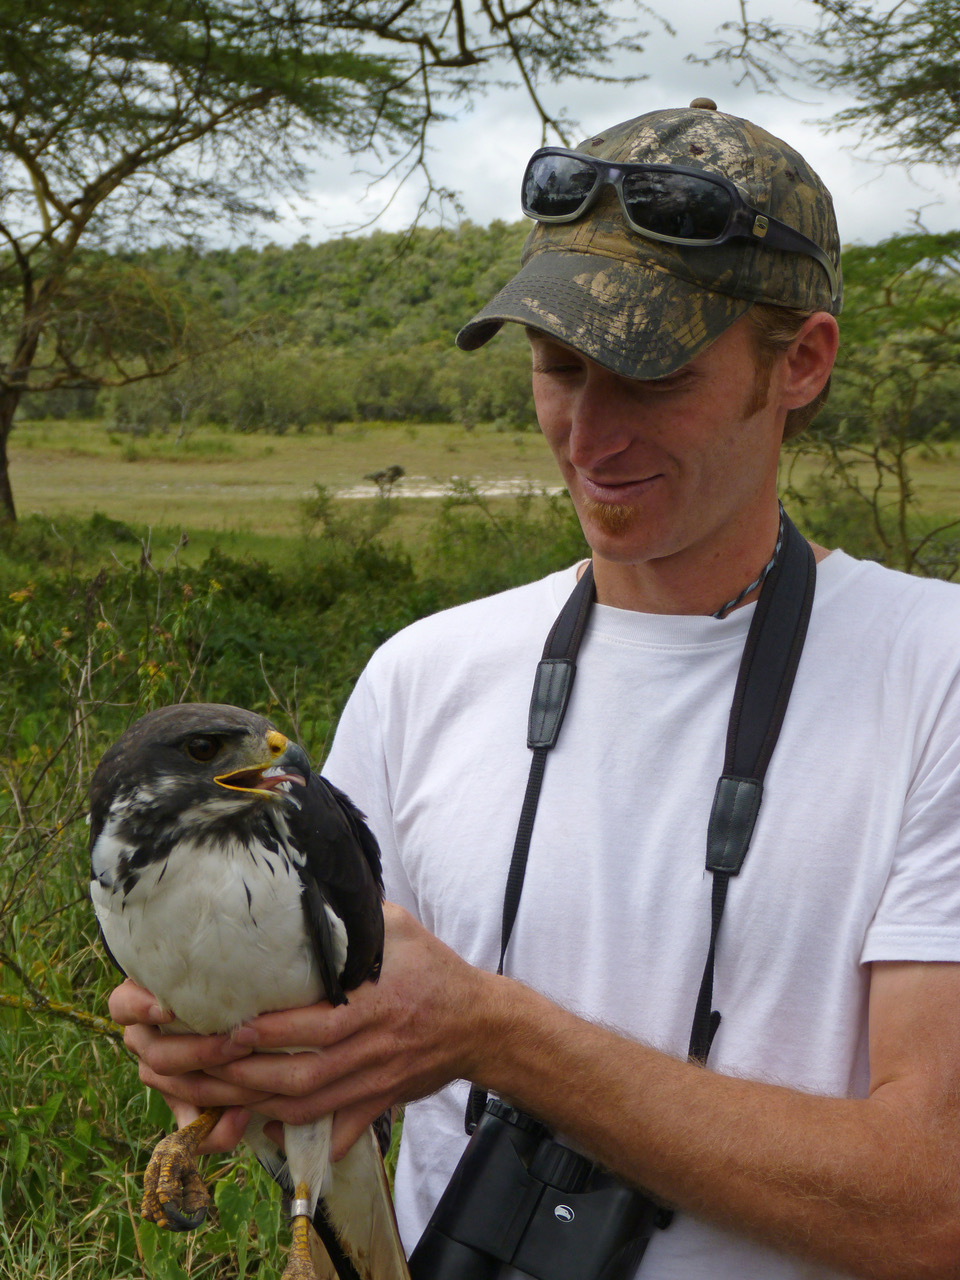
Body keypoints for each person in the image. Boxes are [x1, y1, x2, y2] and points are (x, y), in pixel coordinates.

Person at [111, 102, 960, 1279]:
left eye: (650, 376)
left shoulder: (937, 674)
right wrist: (238, 1055)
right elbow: (353, 1063)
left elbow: (936, 1206)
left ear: (801, 362)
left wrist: (498, 1034)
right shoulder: (424, 673)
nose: (590, 432)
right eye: (559, 368)